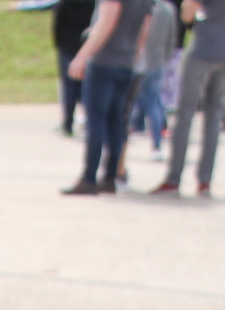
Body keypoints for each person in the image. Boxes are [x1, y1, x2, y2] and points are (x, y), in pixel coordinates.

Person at [150, 0, 225, 196]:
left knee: (185, 114)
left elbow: (187, 14)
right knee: (214, 115)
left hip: (203, 49)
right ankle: (205, 181)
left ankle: (174, 178)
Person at [64, 0, 154, 194]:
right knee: (116, 120)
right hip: (126, 60)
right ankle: (111, 176)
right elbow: (145, 28)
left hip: (104, 60)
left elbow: (106, 23)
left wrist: (82, 56)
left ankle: (89, 177)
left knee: (96, 120)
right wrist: (134, 55)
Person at [134, 0, 180, 158]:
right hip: (157, 61)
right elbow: (171, 38)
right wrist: (165, 58)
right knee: (154, 102)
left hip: (138, 59)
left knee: (127, 103)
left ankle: (119, 145)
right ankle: (156, 145)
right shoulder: (167, 9)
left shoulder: (139, 6)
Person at [55, 0, 98, 136]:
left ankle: (68, 123)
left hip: (67, 49)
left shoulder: (63, 4)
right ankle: (89, 121)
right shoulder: (92, 4)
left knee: (69, 88)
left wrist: (60, 46)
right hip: (86, 48)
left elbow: (57, 28)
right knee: (87, 87)